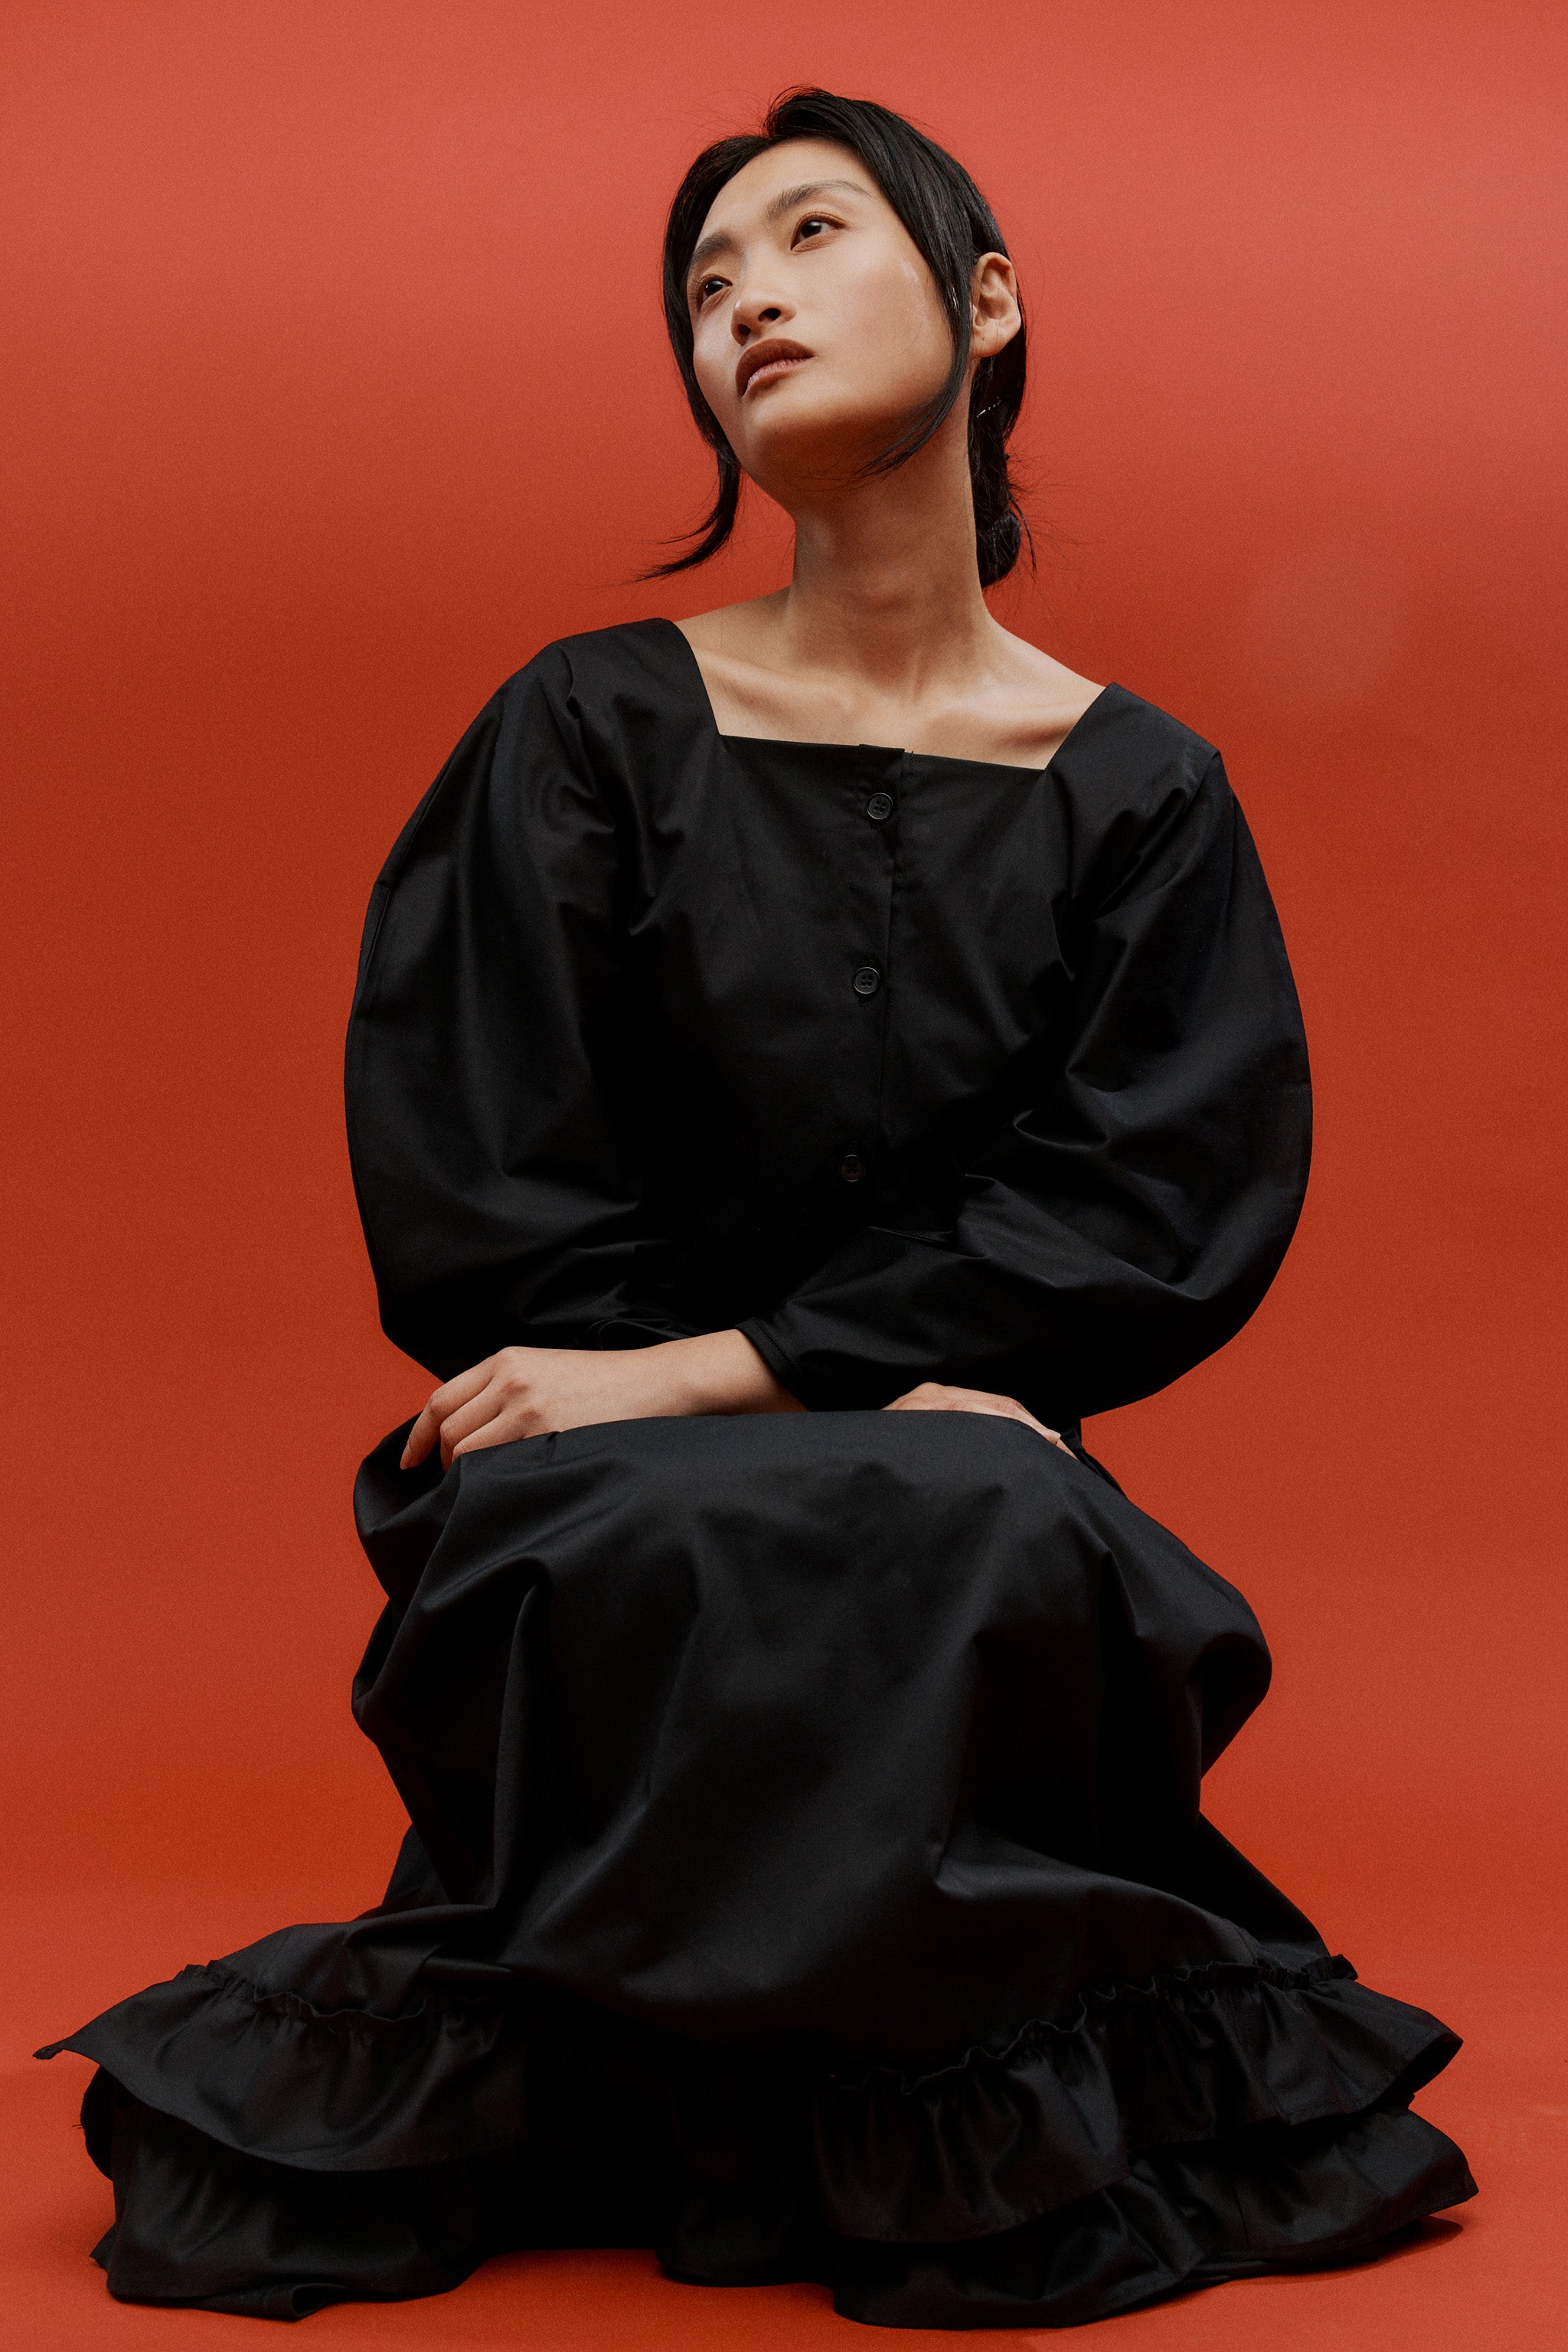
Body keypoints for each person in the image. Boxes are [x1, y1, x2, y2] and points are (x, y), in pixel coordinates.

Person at [38, 87, 1475, 2330]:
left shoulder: (1146, 792)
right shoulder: (585, 728)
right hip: (615, 1475)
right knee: (821, 1502)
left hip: (955, 1480)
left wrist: (806, 1378)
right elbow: (494, 1194)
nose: (747, 307)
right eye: (706, 288)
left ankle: (738, 2076)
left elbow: (1149, 1194)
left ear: (987, 301)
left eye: (809, 237)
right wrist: (743, 1389)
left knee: (988, 1508)